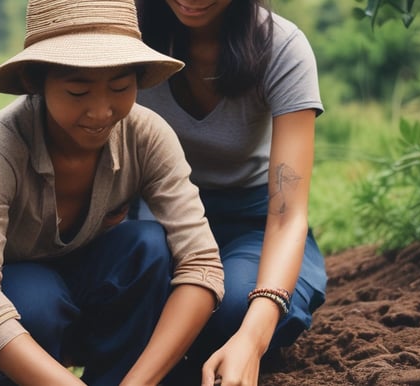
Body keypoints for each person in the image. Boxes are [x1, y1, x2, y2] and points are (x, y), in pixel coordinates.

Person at [0, 0, 225, 385]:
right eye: (77, 91)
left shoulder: (147, 136)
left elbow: (201, 264)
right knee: (35, 296)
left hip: (65, 288)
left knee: (147, 247)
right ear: (37, 83)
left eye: (121, 87)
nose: (101, 111)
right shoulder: (1, 144)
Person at [133, 1, 328, 385]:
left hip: (252, 220)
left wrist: (253, 338)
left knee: (235, 308)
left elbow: (287, 214)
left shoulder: (281, 47)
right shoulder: (126, 35)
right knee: (144, 293)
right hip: (157, 217)